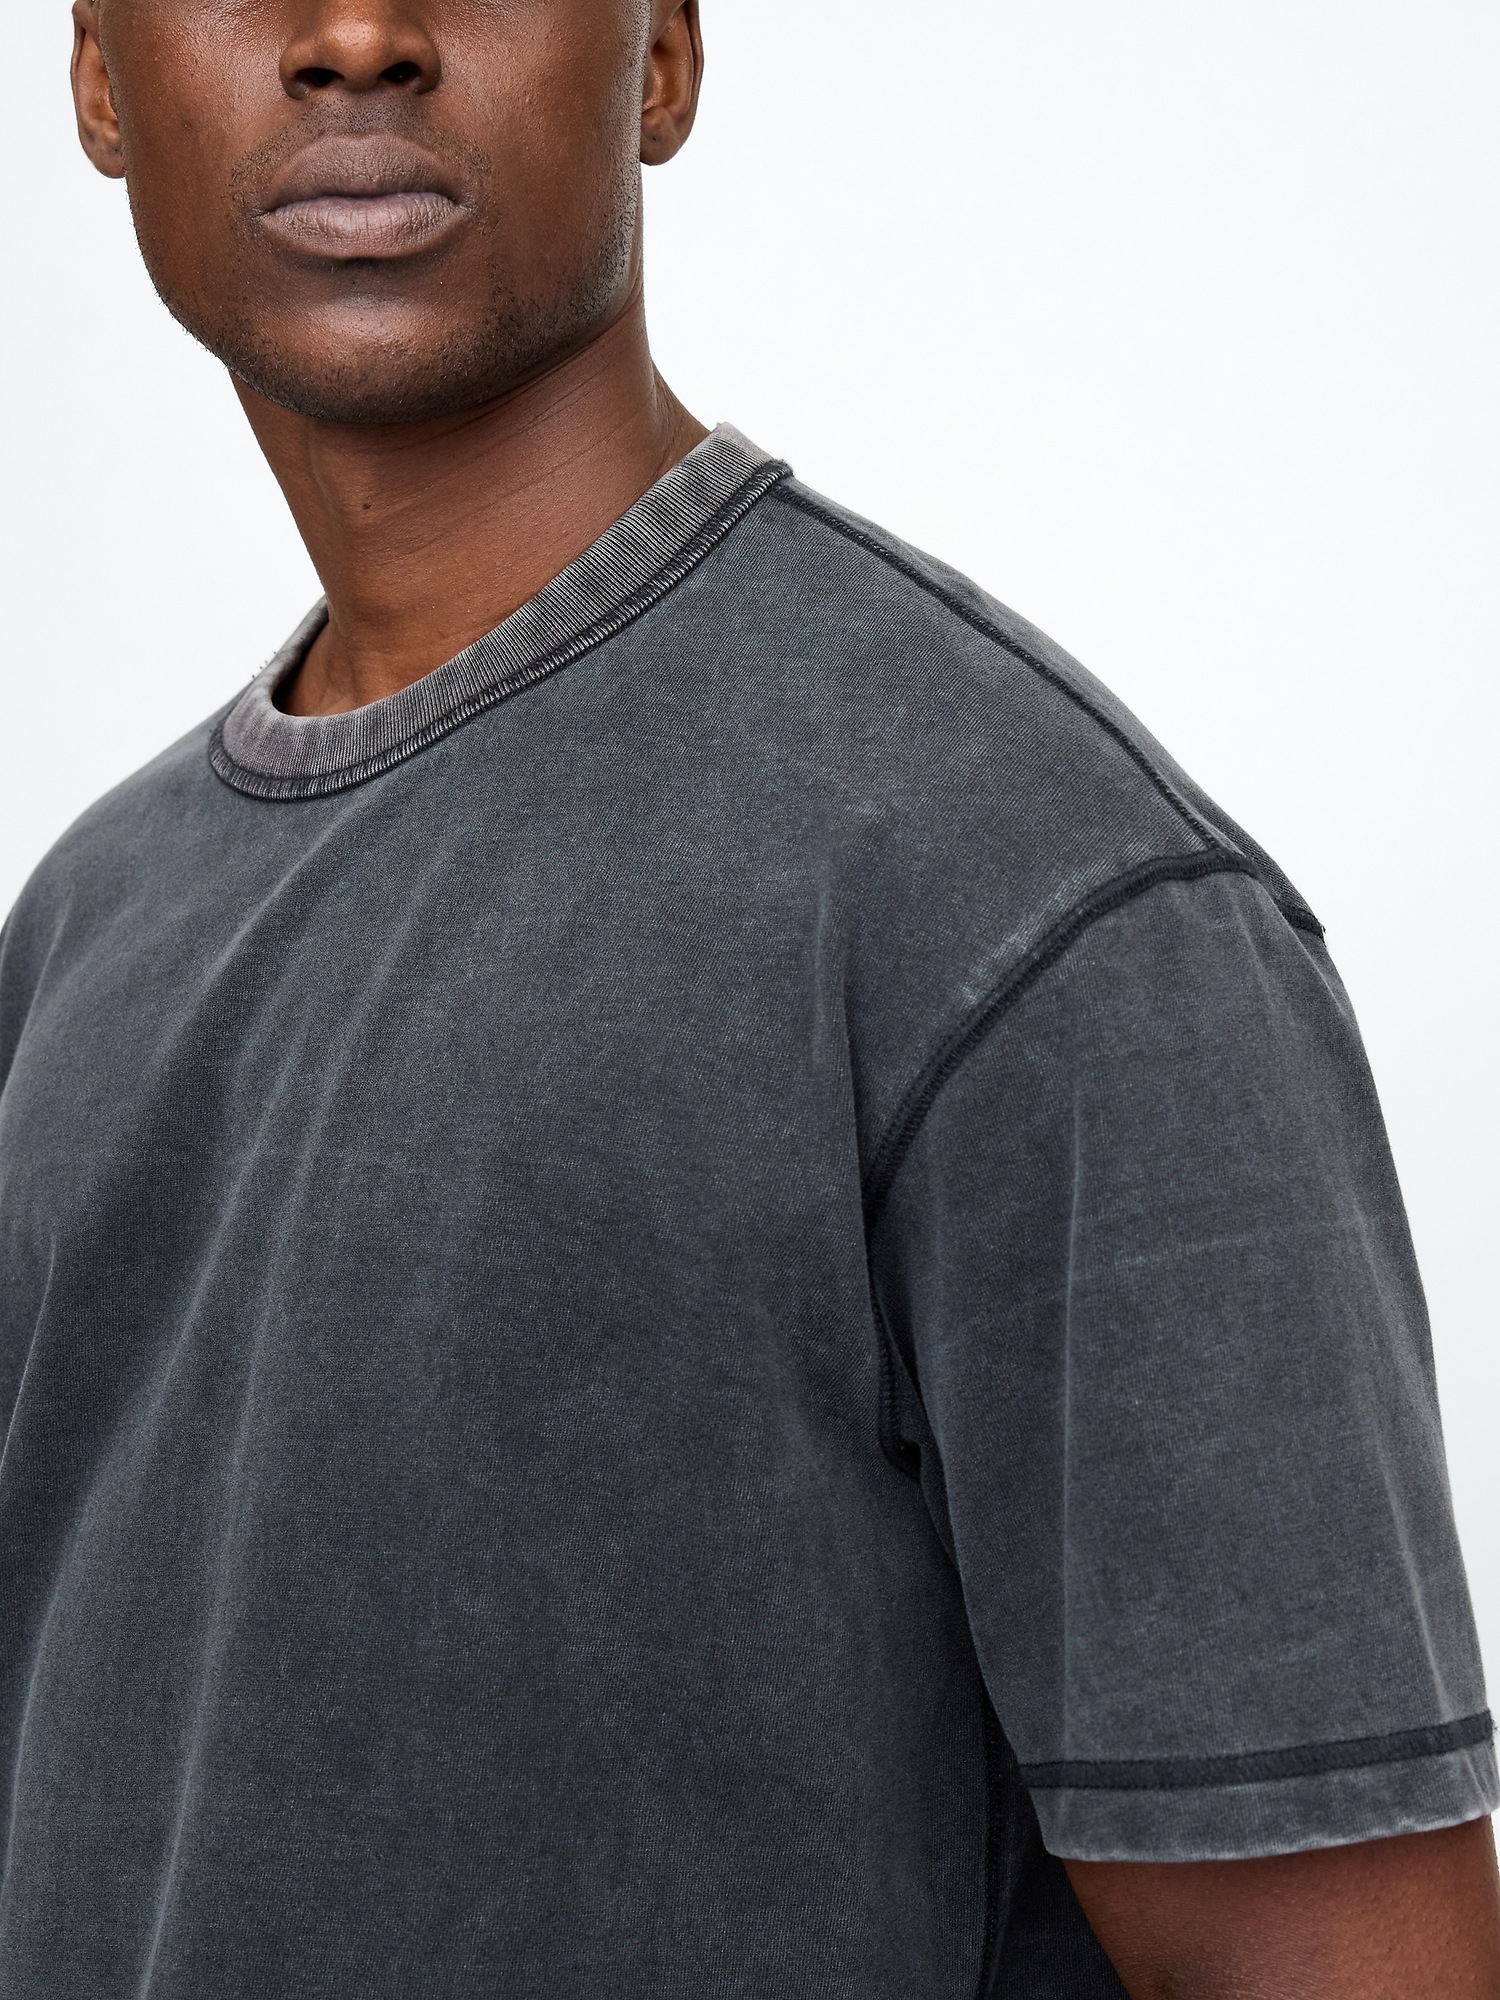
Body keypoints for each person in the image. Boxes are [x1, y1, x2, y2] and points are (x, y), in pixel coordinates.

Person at [0, 0, 1494, 1992]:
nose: (357, 33)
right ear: (101, 82)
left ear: (664, 62)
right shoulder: (84, 929)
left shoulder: (1038, 897)